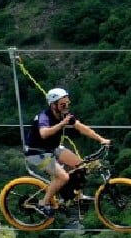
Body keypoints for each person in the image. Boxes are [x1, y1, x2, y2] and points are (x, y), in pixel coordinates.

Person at [24, 87, 110, 216]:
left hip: (52, 149)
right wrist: (62, 124)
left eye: (67, 103)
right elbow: (44, 133)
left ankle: (75, 196)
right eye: (62, 104)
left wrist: (100, 139)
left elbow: (81, 127)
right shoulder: (44, 116)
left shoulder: (64, 115)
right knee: (63, 177)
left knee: (81, 166)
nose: (66, 106)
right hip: (36, 153)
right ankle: (43, 204)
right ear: (53, 105)